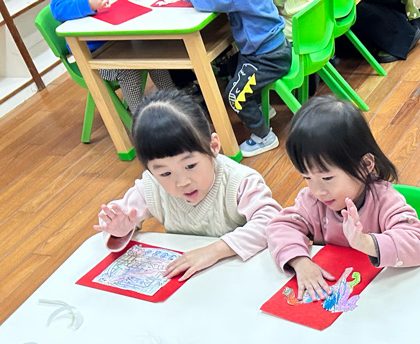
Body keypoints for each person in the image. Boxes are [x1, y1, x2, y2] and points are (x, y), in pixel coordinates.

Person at [94, 91, 281, 282]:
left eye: (190, 166)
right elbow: (115, 216)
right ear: (150, 170)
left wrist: (214, 251)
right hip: (192, 281)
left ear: (213, 146)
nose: (182, 182)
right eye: (165, 173)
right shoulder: (151, 186)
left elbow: (271, 221)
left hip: (241, 275)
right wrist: (119, 229)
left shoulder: (239, 181)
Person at [266, 96, 420, 301]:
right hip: (337, 298)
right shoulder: (312, 202)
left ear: (365, 165)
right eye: (307, 177)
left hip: (383, 296)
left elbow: (418, 243)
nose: (318, 191)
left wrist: (365, 242)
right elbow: (279, 227)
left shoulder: (384, 200)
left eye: (327, 178)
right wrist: (300, 261)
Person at [189, 0, 289, 156]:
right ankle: (261, 109)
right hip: (272, 49)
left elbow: (210, 3)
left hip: (267, 59)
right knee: (233, 65)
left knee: (235, 96)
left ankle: (264, 137)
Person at [49, 0, 175, 111]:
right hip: (93, 56)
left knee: (153, 55)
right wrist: (88, 4)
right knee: (128, 70)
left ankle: (174, 102)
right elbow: (57, 9)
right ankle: (140, 118)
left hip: (120, 41)